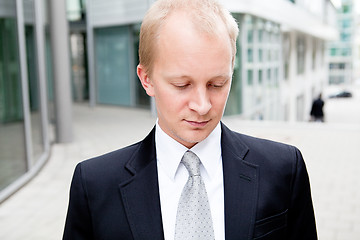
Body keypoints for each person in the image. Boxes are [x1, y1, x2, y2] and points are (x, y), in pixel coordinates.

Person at [63, 0, 317, 239]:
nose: (202, 105)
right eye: (182, 84)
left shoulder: (284, 169)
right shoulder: (94, 185)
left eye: (217, 84)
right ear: (146, 79)